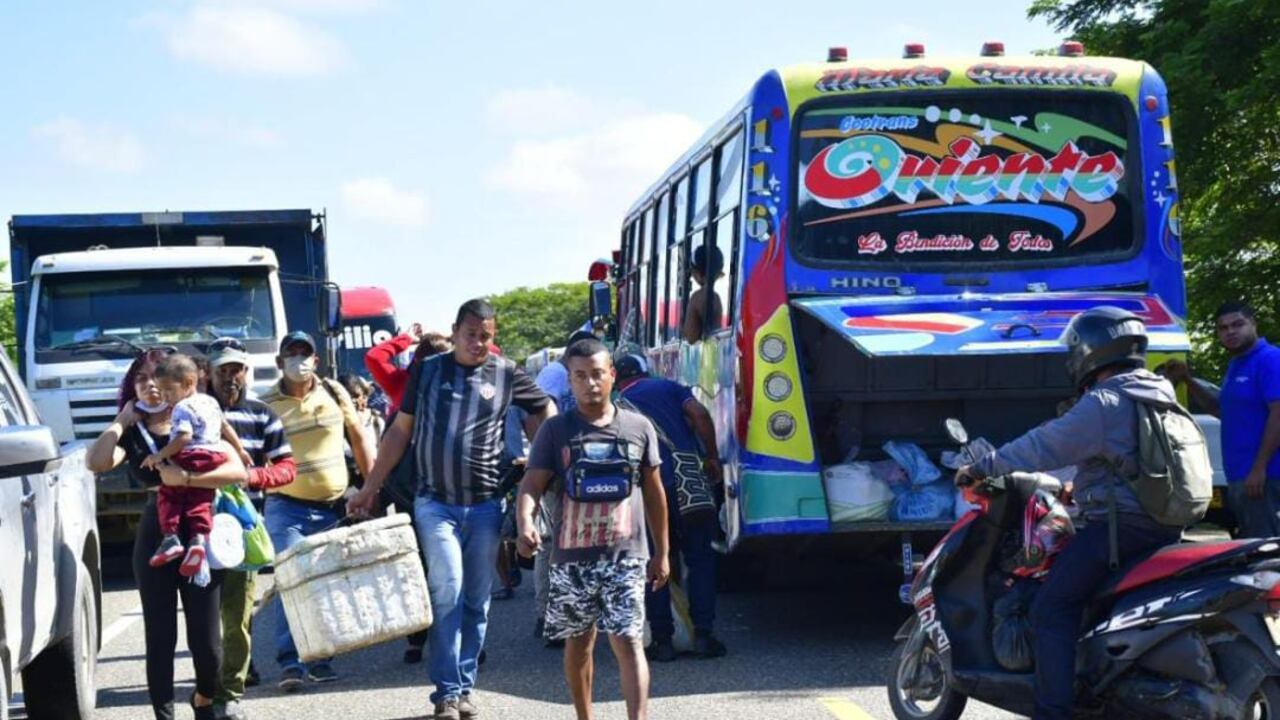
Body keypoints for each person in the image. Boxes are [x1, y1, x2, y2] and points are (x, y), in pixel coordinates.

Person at [955, 307, 1185, 720]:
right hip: (1163, 525)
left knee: (1051, 607)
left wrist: (982, 467)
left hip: (1118, 530)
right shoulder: (1157, 392)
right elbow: (1131, 461)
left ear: (1090, 351)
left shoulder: (1107, 400)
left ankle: (1053, 711)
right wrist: (1078, 487)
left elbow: (1045, 444)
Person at [347, 298, 555, 720]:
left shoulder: (506, 372)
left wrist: (544, 455)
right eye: (470, 335)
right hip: (434, 503)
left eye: (486, 336)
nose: (478, 343)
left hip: (484, 504)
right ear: (456, 332)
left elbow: (543, 409)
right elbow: (399, 432)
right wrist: (370, 487)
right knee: (448, 590)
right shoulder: (428, 370)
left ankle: (463, 687)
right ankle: (444, 692)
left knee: (477, 600)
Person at [87, 348, 248, 720]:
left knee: (207, 645)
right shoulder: (134, 433)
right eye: (141, 379)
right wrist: (120, 421)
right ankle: (164, 714)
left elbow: (238, 471)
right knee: (160, 637)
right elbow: (96, 462)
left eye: (155, 377)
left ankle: (205, 698)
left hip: (200, 531)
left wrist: (188, 478)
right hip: (155, 532)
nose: (149, 385)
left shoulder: (202, 415)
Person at [515, 338, 670, 720]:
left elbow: (655, 493)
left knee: (629, 641)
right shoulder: (555, 432)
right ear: (569, 381)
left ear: (612, 376)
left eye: (598, 374)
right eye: (580, 376)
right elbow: (531, 486)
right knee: (579, 645)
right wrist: (524, 524)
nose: (590, 383)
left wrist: (662, 553)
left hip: (626, 557)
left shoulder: (638, 428)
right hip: (570, 560)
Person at [260, 331, 375, 691]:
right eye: (291, 354)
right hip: (285, 506)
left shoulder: (334, 393)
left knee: (326, 582)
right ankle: (290, 661)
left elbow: (358, 439)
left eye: (304, 353)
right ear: (280, 362)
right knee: (291, 580)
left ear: (316, 359)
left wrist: (370, 489)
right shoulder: (266, 403)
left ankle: (321, 658)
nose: (299, 360)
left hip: (332, 507)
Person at [205, 338, 298, 720]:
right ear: (209, 373)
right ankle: (204, 690)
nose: (231, 377)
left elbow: (287, 467)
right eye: (223, 370)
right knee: (203, 620)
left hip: (242, 533)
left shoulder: (262, 414)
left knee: (238, 619)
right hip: (196, 529)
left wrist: (251, 476)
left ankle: (229, 693)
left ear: (247, 371)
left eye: (237, 369)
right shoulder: (193, 412)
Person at [614, 354, 726, 661]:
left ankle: (662, 641)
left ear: (617, 378)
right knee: (701, 558)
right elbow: (700, 414)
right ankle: (704, 635)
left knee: (653, 563)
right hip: (686, 485)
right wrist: (712, 456)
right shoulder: (669, 387)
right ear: (645, 372)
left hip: (646, 493)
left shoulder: (617, 404)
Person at [1164, 301, 1280, 538]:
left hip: (1267, 477)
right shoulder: (1236, 365)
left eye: (1238, 324)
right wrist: (1187, 379)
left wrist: (1259, 469)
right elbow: (1220, 410)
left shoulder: (1270, 360)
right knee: (1253, 548)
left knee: (1267, 553)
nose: (1230, 332)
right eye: (1223, 328)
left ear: (1253, 324)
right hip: (1240, 476)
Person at [143, 353, 251, 580]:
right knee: (201, 499)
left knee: (169, 494)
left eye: (168, 391)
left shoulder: (182, 407)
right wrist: (240, 450)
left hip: (192, 455)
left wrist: (159, 455)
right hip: (214, 456)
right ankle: (198, 540)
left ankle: (171, 538)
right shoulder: (210, 401)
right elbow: (225, 427)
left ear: (189, 383)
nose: (164, 397)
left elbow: (183, 438)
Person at [531, 329, 597, 644]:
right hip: (559, 471)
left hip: (583, 472)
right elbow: (542, 414)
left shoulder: (573, 374)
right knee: (555, 544)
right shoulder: (554, 374)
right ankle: (549, 616)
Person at [365, 321, 452, 416]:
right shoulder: (401, 381)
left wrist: (408, 338)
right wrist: (407, 338)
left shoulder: (400, 382)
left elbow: (374, 357)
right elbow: (374, 357)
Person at [682, 244, 724, 343]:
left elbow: (690, 338)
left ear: (698, 273)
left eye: (692, 272)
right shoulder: (716, 297)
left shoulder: (697, 297)